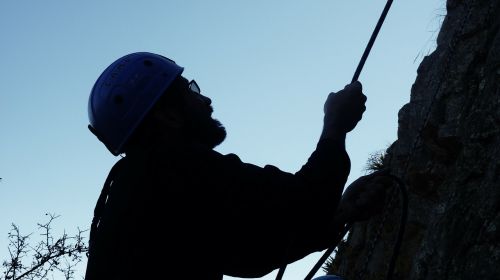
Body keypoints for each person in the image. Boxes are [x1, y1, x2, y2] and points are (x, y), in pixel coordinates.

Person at [85, 52, 389, 280]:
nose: (206, 100)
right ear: (168, 116)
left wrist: (341, 215)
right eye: (189, 90)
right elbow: (303, 202)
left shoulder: (136, 189)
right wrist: (335, 126)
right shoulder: (172, 168)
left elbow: (250, 255)